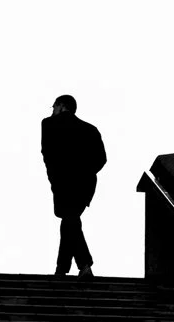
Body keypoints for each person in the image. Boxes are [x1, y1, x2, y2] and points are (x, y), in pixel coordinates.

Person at [41, 95, 106, 278]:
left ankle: (84, 264)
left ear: (61, 106)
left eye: (54, 106)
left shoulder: (48, 124)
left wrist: (55, 178)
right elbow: (101, 159)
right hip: (85, 184)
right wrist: (85, 173)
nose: (53, 110)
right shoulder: (90, 129)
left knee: (70, 219)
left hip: (62, 181)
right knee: (70, 219)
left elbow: (47, 154)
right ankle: (62, 268)